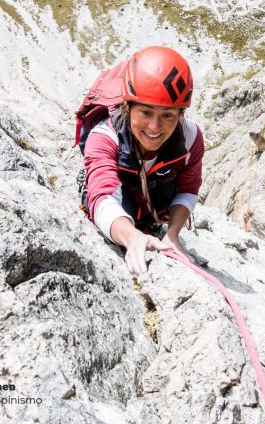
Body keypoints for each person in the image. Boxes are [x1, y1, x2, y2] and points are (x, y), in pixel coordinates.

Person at [83, 46, 204, 277]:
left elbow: (189, 189)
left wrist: (173, 234)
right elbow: (102, 197)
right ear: (127, 107)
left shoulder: (190, 137)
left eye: (168, 115)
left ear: (181, 114)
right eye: (145, 113)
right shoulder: (104, 137)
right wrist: (131, 237)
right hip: (120, 210)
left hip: (152, 215)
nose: (155, 127)